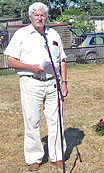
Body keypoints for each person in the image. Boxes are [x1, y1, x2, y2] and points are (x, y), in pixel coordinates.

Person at [4, 2, 68, 171]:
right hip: (31, 82)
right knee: (32, 121)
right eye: (36, 15)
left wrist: (64, 82)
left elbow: (62, 60)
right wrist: (31, 67)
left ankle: (57, 156)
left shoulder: (53, 34)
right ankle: (34, 158)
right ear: (30, 17)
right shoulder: (21, 34)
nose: (40, 18)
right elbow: (10, 61)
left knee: (56, 120)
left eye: (43, 15)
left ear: (46, 17)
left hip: (52, 83)